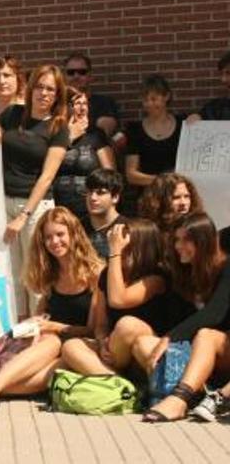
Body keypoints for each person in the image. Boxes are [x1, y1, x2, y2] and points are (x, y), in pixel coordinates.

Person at [0, 207, 103, 409]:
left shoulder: (95, 273)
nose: (54, 242)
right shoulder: (51, 274)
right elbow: (39, 318)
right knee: (50, 343)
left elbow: (93, 329)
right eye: (48, 238)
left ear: (74, 234)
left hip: (82, 345)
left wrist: (52, 326)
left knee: (58, 355)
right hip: (50, 342)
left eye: (60, 234)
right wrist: (32, 326)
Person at [0, 64, 71, 317]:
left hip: (35, 207)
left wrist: (24, 215)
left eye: (51, 90)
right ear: (30, 88)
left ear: (57, 96)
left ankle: (35, 335)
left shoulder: (58, 128)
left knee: (35, 276)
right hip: (3, 200)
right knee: (10, 273)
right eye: (40, 87)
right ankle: (15, 334)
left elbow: (47, 177)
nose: (44, 94)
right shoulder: (12, 114)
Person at [132, 213, 230, 422]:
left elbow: (215, 313)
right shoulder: (185, 272)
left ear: (203, 242)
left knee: (206, 335)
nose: (178, 246)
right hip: (203, 356)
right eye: (176, 239)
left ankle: (180, 400)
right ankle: (194, 392)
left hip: (222, 347)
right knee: (144, 344)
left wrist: (169, 337)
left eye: (186, 240)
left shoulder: (226, 267)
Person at [61, 219, 176, 377]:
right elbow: (101, 324)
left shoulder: (156, 277)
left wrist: (114, 252)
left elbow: (118, 300)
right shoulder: (108, 274)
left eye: (126, 244)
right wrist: (101, 342)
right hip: (115, 350)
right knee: (71, 346)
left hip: (145, 346)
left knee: (127, 325)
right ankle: (118, 382)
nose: (122, 247)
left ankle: (112, 380)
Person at [52, 87, 115, 222]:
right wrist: (69, 138)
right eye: (76, 104)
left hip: (89, 207)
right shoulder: (54, 134)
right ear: (65, 107)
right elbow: (47, 167)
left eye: (85, 103)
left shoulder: (96, 135)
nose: (82, 108)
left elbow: (109, 173)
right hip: (58, 207)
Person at [124, 75, 184, 194]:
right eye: (145, 100)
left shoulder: (183, 125)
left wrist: (196, 118)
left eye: (154, 99)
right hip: (149, 197)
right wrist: (163, 181)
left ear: (166, 96)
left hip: (178, 195)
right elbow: (131, 175)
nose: (149, 104)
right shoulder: (135, 130)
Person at [63, 52, 120, 138]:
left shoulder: (104, 102)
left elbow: (107, 128)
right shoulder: (56, 104)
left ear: (90, 76)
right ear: (64, 76)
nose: (76, 76)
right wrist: (95, 122)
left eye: (82, 72)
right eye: (71, 72)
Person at [137, 172, 203, 236]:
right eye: (176, 198)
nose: (183, 202)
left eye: (187, 196)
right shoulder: (147, 233)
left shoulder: (199, 228)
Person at [82, 168, 127, 258]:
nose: (93, 198)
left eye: (100, 193)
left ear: (115, 197)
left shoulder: (127, 229)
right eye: (89, 192)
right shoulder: (76, 227)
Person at [188, 50, 230, 121]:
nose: (223, 79)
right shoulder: (214, 108)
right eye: (221, 74)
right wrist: (196, 119)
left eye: (229, 73)